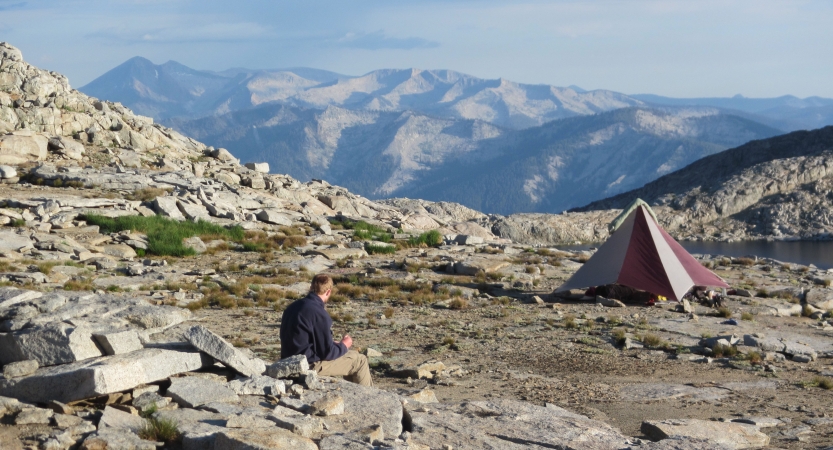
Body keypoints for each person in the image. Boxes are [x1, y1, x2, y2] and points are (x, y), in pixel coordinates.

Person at [279, 273, 373, 386]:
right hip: (308, 365)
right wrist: (343, 345)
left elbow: (304, 339)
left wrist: (335, 345)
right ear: (328, 292)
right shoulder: (319, 313)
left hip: (287, 361)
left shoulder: (292, 307)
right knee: (360, 360)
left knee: (350, 355)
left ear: (311, 288)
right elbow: (327, 352)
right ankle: (365, 397)